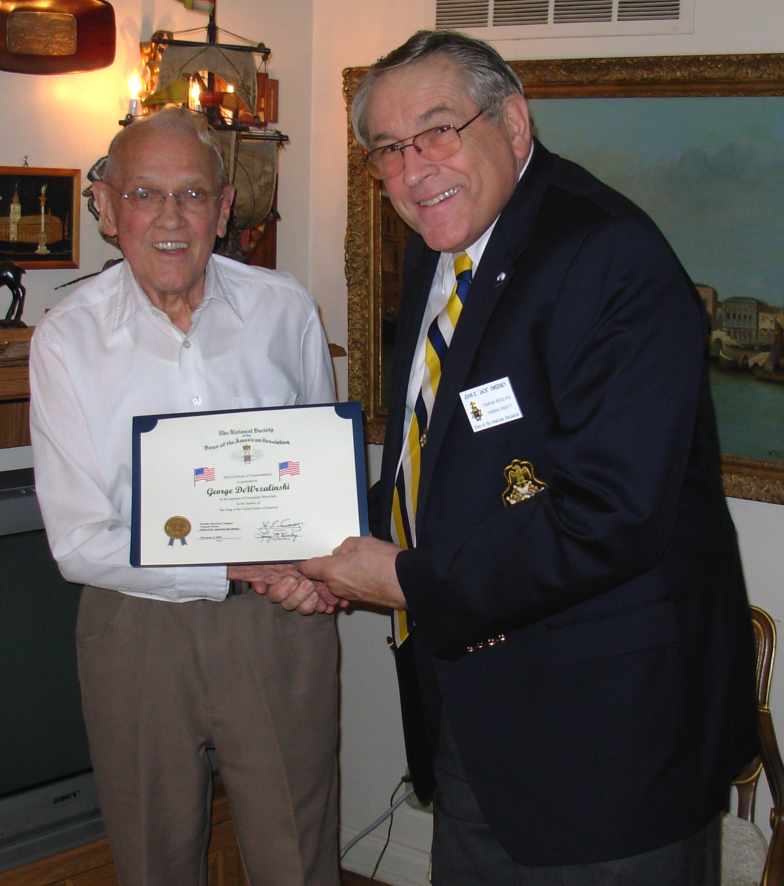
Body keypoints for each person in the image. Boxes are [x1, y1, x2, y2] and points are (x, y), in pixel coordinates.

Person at [302, 30, 758, 884]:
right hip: (479, 720)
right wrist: (325, 547)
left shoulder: (609, 255)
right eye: (388, 150)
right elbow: (439, 469)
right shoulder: (447, 248)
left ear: (514, 122)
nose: (412, 169)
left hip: (606, 753)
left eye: (439, 130)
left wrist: (402, 580)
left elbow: (609, 514)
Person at [30, 107, 340, 886]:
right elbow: (76, 542)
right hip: (135, 630)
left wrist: (319, 567)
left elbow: (317, 484)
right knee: (151, 857)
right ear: (106, 204)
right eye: (144, 193)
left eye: (192, 194)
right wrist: (235, 567)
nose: (170, 218)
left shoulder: (285, 310)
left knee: (297, 854)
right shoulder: (67, 337)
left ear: (225, 206)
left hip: (280, 620)